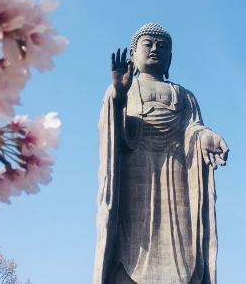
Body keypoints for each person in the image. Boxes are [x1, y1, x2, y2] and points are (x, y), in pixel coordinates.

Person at [94, 23, 229, 284]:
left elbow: (194, 128)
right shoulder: (123, 90)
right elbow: (114, 134)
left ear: (170, 58)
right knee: (131, 236)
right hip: (135, 174)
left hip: (177, 173)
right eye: (148, 44)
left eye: (162, 46)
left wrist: (205, 136)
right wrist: (118, 96)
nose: (155, 49)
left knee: (183, 236)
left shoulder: (185, 97)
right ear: (133, 54)